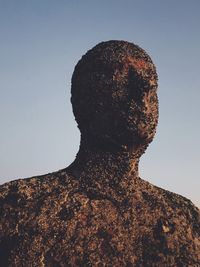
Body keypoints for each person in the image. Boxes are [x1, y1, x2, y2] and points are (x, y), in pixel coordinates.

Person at [0, 40, 199, 266]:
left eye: (152, 85)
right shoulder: (14, 207)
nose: (146, 87)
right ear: (83, 99)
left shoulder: (184, 218)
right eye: (124, 78)